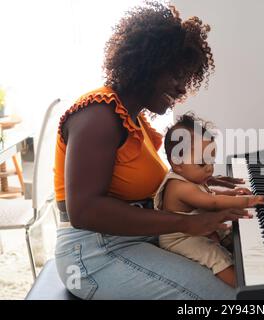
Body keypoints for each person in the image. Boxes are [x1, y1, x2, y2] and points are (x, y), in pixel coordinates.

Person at [53, 2, 251, 300]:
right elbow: (84, 211)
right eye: (176, 74)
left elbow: (142, 188)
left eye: (187, 77)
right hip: (91, 253)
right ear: (149, 64)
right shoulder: (98, 114)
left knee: (240, 272)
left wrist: (201, 181)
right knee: (226, 299)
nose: (183, 87)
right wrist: (188, 222)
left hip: (129, 238)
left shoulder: (136, 119)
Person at [154, 113, 264, 287]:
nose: (210, 169)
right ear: (177, 164)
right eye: (202, 163)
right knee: (214, 255)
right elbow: (211, 202)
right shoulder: (180, 187)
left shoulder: (190, 177)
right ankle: (243, 288)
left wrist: (233, 194)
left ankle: (250, 262)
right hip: (181, 239)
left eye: (212, 161)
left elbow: (210, 195)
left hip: (194, 227)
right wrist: (247, 201)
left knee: (228, 232)